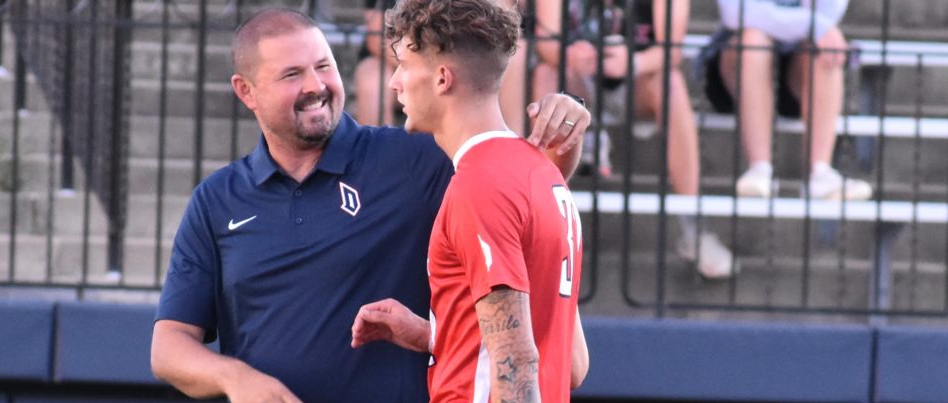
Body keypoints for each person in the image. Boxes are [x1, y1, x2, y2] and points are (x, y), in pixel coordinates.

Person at [149, 7, 590, 403]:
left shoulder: (422, 157)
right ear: (245, 91)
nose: (316, 85)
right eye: (292, 74)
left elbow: (513, 223)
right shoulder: (217, 200)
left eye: (324, 66)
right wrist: (235, 378)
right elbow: (168, 348)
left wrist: (558, 136)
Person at [351, 1, 589, 403]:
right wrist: (434, 333)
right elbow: (569, 361)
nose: (395, 81)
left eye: (403, 64)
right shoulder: (546, 178)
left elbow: (516, 357)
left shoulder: (479, 183)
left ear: (442, 77)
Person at [534, 0, 735, 279]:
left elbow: (672, 51)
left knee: (671, 83)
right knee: (545, 74)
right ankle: (540, 225)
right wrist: (569, 56)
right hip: (575, 81)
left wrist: (633, 62)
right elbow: (546, 44)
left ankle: (693, 227)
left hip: (638, 81)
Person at [702, 0, 872, 201]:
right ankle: (759, 168)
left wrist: (810, 26)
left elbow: (828, 15)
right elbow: (734, 13)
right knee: (754, 40)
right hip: (738, 70)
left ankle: (820, 171)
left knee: (825, 44)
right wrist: (812, 24)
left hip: (798, 72)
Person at [353, 0, 531, 132]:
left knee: (516, 54)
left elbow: (503, 24)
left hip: (463, 58)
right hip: (407, 58)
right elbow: (377, 36)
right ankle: (378, 158)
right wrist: (424, 65)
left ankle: (513, 144)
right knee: (371, 78)